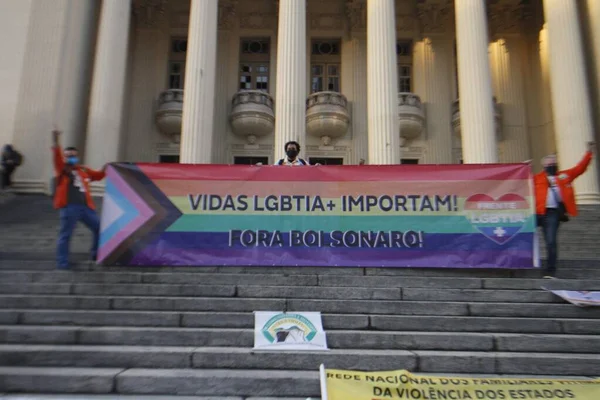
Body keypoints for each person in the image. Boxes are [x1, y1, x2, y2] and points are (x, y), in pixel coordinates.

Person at [534, 141, 595, 278]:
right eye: (549, 164)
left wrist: (589, 153)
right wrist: (524, 167)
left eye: (553, 163)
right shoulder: (536, 178)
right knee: (521, 232)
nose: (551, 165)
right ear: (544, 166)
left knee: (551, 241)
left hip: (553, 214)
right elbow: (520, 180)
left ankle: (550, 270)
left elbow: (580, 168)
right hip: (536, 213)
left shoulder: (565, 175)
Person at [52, 129, 107, 270]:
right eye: (69, 156)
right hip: (70, 206)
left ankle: (95, 254)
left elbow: (99, 175)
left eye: (74, 156)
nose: (72, 158)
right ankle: (62, 262)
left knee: (99, 228)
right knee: (66, 234)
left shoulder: (84, 170)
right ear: (65, 157)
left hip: (86, 207)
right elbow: (56, 155)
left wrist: (107, 167)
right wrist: (56, 138)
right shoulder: (62, 169)